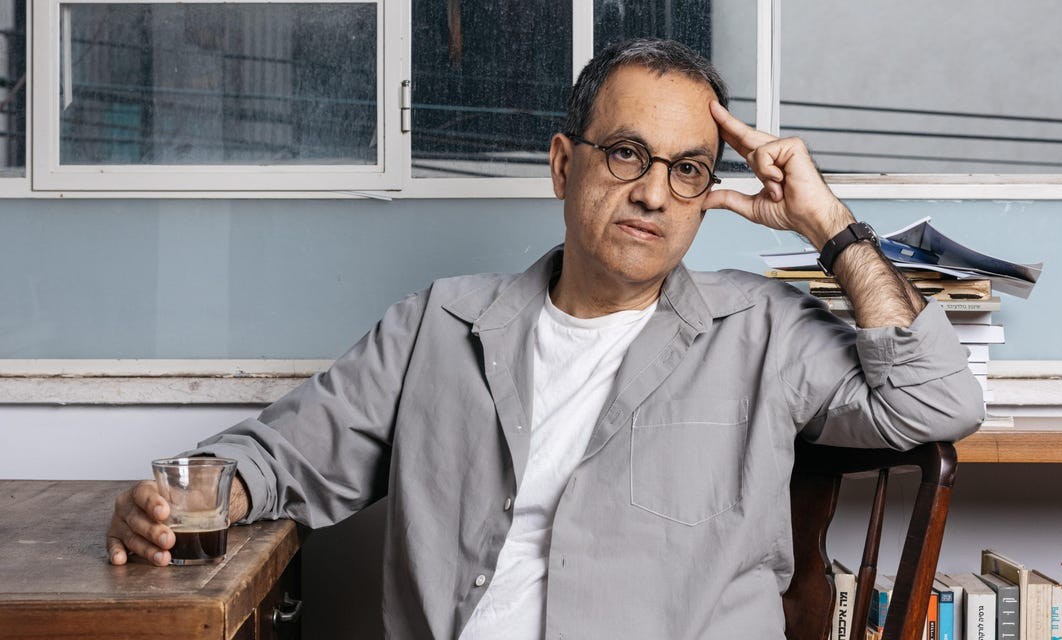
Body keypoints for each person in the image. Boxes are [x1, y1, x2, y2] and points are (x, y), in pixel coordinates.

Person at [106, 38, 983, 639]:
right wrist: (180, 505)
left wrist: (826, 223)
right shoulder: (437, 326)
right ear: (564, 164)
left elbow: (936, 401)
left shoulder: (759, 331)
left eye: (687, 170)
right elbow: (280, 457)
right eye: (627, 154)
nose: (653, 194)